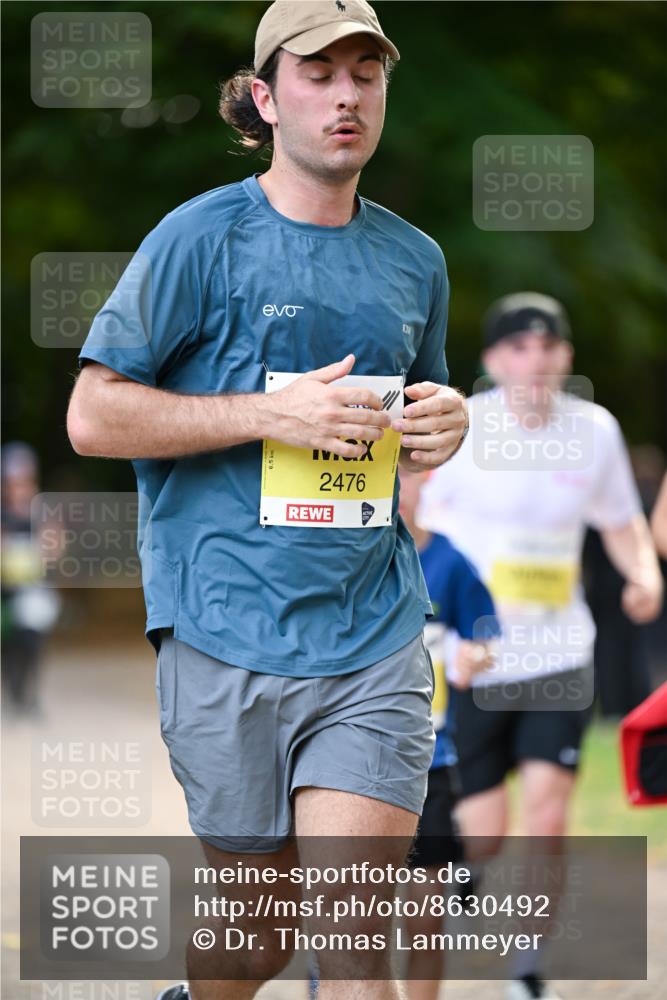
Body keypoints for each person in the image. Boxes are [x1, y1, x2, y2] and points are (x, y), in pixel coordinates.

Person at [66, 3, 467, 999]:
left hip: (370, 634)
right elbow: (92, 416)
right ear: (263, 96)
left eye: (365, 74)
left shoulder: (415, 259)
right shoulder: (197, 239)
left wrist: (449, 427)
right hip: (222, 631)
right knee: (253, 936)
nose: (345, 95)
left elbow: (410, 425)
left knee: (352, 936)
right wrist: (265, 415)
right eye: (318, 72)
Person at [419, 292, 663, 1000]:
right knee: (485, 832)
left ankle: (527, 966)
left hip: (560, 653)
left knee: (548, 815)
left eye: (547, 346)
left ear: (565, 358)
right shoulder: (460, 429)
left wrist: (643, 575)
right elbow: (418, 533)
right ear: (492, 360)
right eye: (516, 347)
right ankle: (464, 867)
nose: (533, 360)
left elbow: (620, 522)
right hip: (476, 659)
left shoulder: (594, 432)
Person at [398, 469, 499, 1000]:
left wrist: (473, 656)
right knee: (344, 913)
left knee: (423, 915)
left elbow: (488, 634)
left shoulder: (449, 561)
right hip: (349, 759)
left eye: (403, 477)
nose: (393, 489)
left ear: (423, 482)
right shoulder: (338, 558)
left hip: (430, 762)